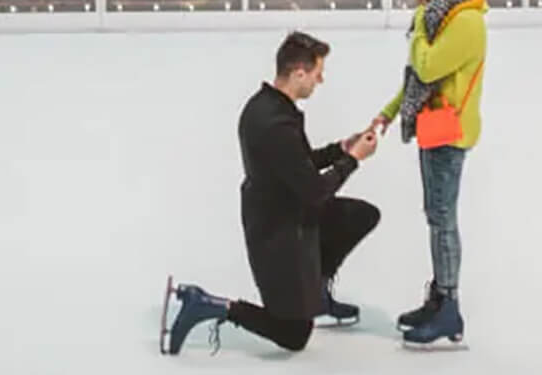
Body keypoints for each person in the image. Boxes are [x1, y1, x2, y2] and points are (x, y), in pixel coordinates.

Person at [162, 33, 382, 356]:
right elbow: (314, 191)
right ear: (299, 74)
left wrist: (340, 149)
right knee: (294, 335)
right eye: (318, 72)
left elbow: (298, 164)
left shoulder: (272, 106)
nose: (321, 80)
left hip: (289, 211)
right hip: (278, 232)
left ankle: (316, 293)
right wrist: (353, 160)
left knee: (359, 216)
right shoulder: (275, 123)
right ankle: (207, 304)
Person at [371, 0, 488, 348]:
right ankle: (439, 298)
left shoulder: (465, 22)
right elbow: (416, 83)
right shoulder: (446, 18)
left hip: (449, 132)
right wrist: (386, 115)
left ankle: (449, 307)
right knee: (436, 215)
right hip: (433, 127)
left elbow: (427, 67)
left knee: (442, 220)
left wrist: (420, 21)